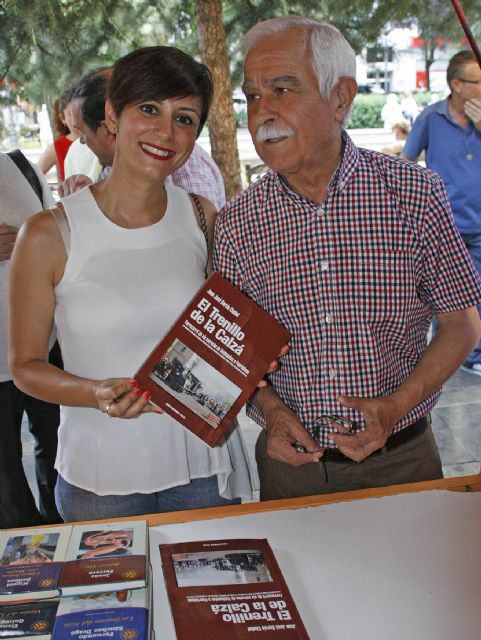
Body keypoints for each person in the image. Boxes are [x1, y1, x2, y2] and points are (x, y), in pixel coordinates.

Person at [213, 17, 481, 500]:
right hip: (291, 471)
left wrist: (395, 406)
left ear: (340, 98)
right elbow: (236, 350)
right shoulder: (237, 222)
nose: (262, 114)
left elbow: (462, 325)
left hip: (401, 461)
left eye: (282, 89)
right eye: (252, 96)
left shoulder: (414, 194)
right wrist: (270, 412)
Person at [9, 46, 252, 522]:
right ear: (112, 117)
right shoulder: (48, 233)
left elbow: (221, 334)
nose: (165, 132)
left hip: (202, 466)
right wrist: (94, 391)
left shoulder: (202, 216)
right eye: (148, 109)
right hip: (101, 476)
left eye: (184, 118)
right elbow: (25, 366)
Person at [403, 50, 481, 376]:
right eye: (477, 81)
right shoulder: (431, 117)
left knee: (477, 292)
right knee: (446, 299)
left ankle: (471, 355)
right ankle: (447, 356)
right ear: (457, 84)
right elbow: (406, 163)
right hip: (445, 226)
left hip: (479, 222)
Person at [59, 69, 226, 210]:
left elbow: (198, 243)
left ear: (108, 127)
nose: (82, 141)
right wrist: (92, 198)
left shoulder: (184, 167)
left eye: (82, 133)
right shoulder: (117, 168)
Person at [0, 152, 61, 528]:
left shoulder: (21, 166)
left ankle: (63, 540)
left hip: (46, 347)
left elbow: (58, 238)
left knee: (58, 453)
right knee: (6, 483)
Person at [37, 88, 80, 181]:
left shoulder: (101, 138)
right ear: (62, 118)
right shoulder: (57, 147)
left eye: (80, 112)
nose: (77, 119)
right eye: (71, 114)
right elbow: (34, 176)